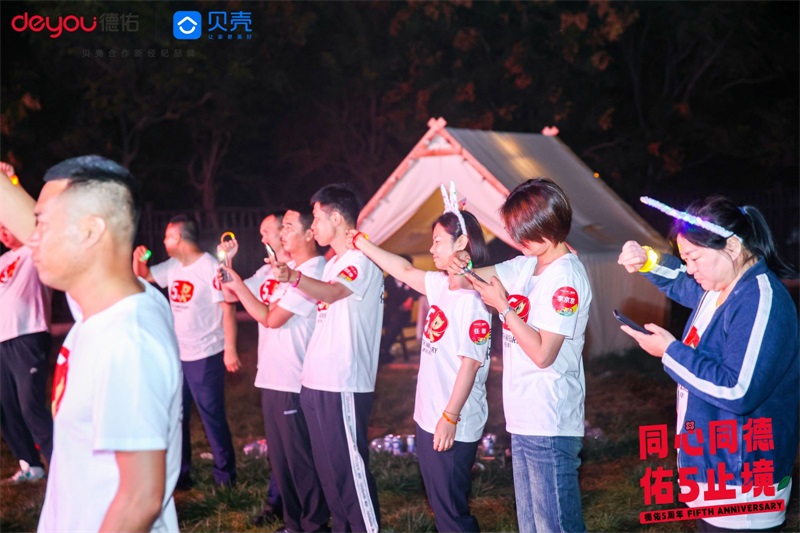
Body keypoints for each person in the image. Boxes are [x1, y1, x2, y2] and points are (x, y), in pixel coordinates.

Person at [18, 155, 181, 532]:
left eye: (43, 224)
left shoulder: (127, 340)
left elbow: (140, 498)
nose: (32, 238)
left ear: (91, 232)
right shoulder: (105, 303)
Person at [618, 195, 799, 532]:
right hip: (716, 478)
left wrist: (670, 351)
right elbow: (679, 281)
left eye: (694, 257)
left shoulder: (759, 299)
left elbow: (737, 390)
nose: (689, 268)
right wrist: (647, 259)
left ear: (731, 247)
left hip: (743, 491)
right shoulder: (721, 287)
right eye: (685, 258)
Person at [449, 178, 592, 533]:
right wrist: (461, 263)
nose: (518, 239)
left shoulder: (565, 278)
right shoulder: (528, 264)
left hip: (550, 419)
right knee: (531, 525)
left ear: (548, 225)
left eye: (523, 232)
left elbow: (543, 354)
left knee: (554, 525)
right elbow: (464, 280)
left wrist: (504, 309)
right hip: (523, 417)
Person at [347, 183, 491, 533]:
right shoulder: (442, 285)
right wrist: (362, 242)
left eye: (438, 241)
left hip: (452, 421)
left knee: (452, 512)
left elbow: (470, 364)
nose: (431, 248)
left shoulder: (474, 300)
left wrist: (449, 417)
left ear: (461, 242)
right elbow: (403, 270)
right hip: (429, 416)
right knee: (441, 506)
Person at [273, 184, 382, 533]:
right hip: (315, 382)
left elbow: (334, 294)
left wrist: (294, 277)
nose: (314, 225)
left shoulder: (361, 259)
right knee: (329, 473)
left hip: (343, 381)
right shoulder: (334, 263)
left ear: (336, 217)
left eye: (318, 217)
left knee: (349, 473)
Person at [219, 208, 330, 532]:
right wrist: (229, 269)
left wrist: (239, 287)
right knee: (281, 461)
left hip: (294, 378)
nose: (278, 235)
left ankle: (314, 524)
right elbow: (232, 294)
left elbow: (271, 318)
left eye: (287, 227)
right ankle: (293, 523)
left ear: (309, 233)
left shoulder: (313, 270)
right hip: (272, 375)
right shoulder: (283, 270)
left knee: (300, 460)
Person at [133, 215, 240, 488]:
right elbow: (143, 276)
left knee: (211, 416)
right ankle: (181, 473)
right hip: (178, 355)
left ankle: (225, 477)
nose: (164, 241)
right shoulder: (173, 266)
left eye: (167, 237)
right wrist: (138, 258)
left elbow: (227, 308)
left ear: (178, 238)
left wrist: (230, 349)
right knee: (177, 415)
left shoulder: (209, 267)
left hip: (206, 355)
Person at [0, 215, 54, 483]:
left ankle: (61, 464)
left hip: (29, 335)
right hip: (2, 340)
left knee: (30, 405)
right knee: (5, 407)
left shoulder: (35, 252)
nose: (3, 234)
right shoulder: (3, 261)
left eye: (6, 227)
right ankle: (30, 464)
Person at [379, 255, 417, 364]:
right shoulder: (389, 279)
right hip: (388, 311)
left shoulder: (412, 279)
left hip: (402, 314)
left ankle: (384, 349)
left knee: (395, 320)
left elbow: (412, 299)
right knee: (375, 321)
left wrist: (411, 298)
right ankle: (381, 349)